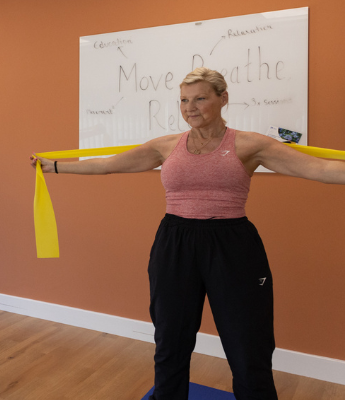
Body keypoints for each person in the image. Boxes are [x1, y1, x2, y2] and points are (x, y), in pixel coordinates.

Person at [31, 67, 345, 400]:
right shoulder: (166, 146)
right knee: (170, 339)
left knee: (248, 343)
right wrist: (54, 167)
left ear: (222, 99)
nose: (189, 107)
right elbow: (109, 163)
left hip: (232, 245)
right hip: (174, 242)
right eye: (183, 100)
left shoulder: (250, 144)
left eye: (200, 98)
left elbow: (321, 169)